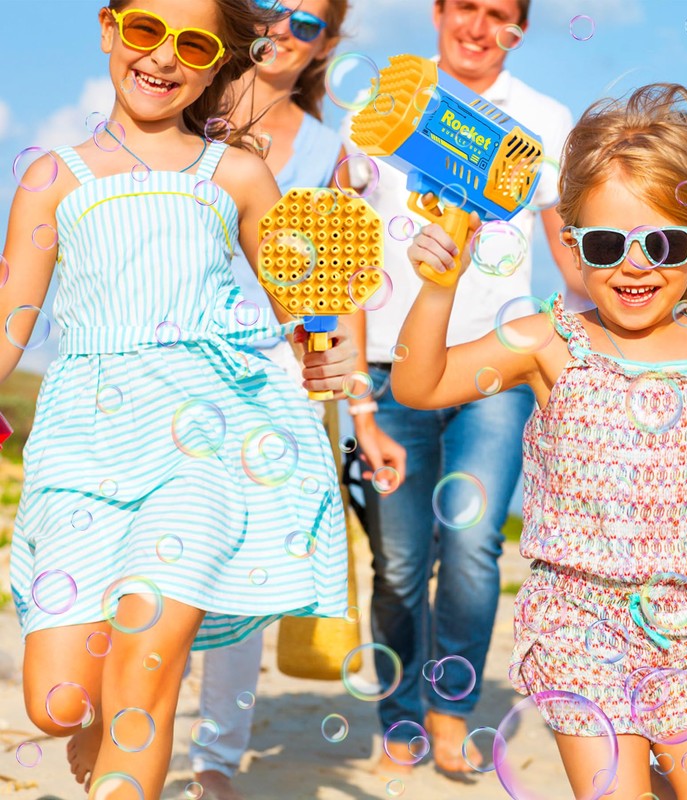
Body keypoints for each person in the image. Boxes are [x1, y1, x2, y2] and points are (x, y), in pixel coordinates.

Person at [391, 83, 687, 798]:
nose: (634, 265)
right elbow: (420, 387)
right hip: (580, 624)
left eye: (663, 243)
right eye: (608, 243)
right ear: (573, 241)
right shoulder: (552, 341)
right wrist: (438, 288)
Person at [4, 1, 356, 796]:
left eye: (191, 43)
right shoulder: (52, 178)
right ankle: (93, 723)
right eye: (143, 32)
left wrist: (322, 349)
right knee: (60, 702)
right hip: (82, 445)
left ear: (217, 59)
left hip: (204, 445)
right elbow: (9, 325)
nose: (163, 57)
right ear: (107, 28)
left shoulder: (234, 172)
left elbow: (303, 301)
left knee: (144, 682)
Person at [341, 0, 574, 774]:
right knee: (400, 563)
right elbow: (345, 250)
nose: (478, 26)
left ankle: (450, 711)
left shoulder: (544, 120)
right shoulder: (382, 107)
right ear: (438, 12)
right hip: (389, 365)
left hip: (495, 369)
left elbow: (571, 259)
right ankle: (398, 714)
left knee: (473, 547)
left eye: (499, 13)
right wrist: (355, 389)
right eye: (464, 7)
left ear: (521, 27)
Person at [186, 3, 406, 798]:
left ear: (328, 44)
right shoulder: (179, 107)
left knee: (240, 579)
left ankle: (215, 759)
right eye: (272, 8)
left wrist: (365, 415)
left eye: (307, 22)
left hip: (275, 380)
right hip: (169, 367)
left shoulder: (327, 151)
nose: (283, 29)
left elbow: (339, 290)